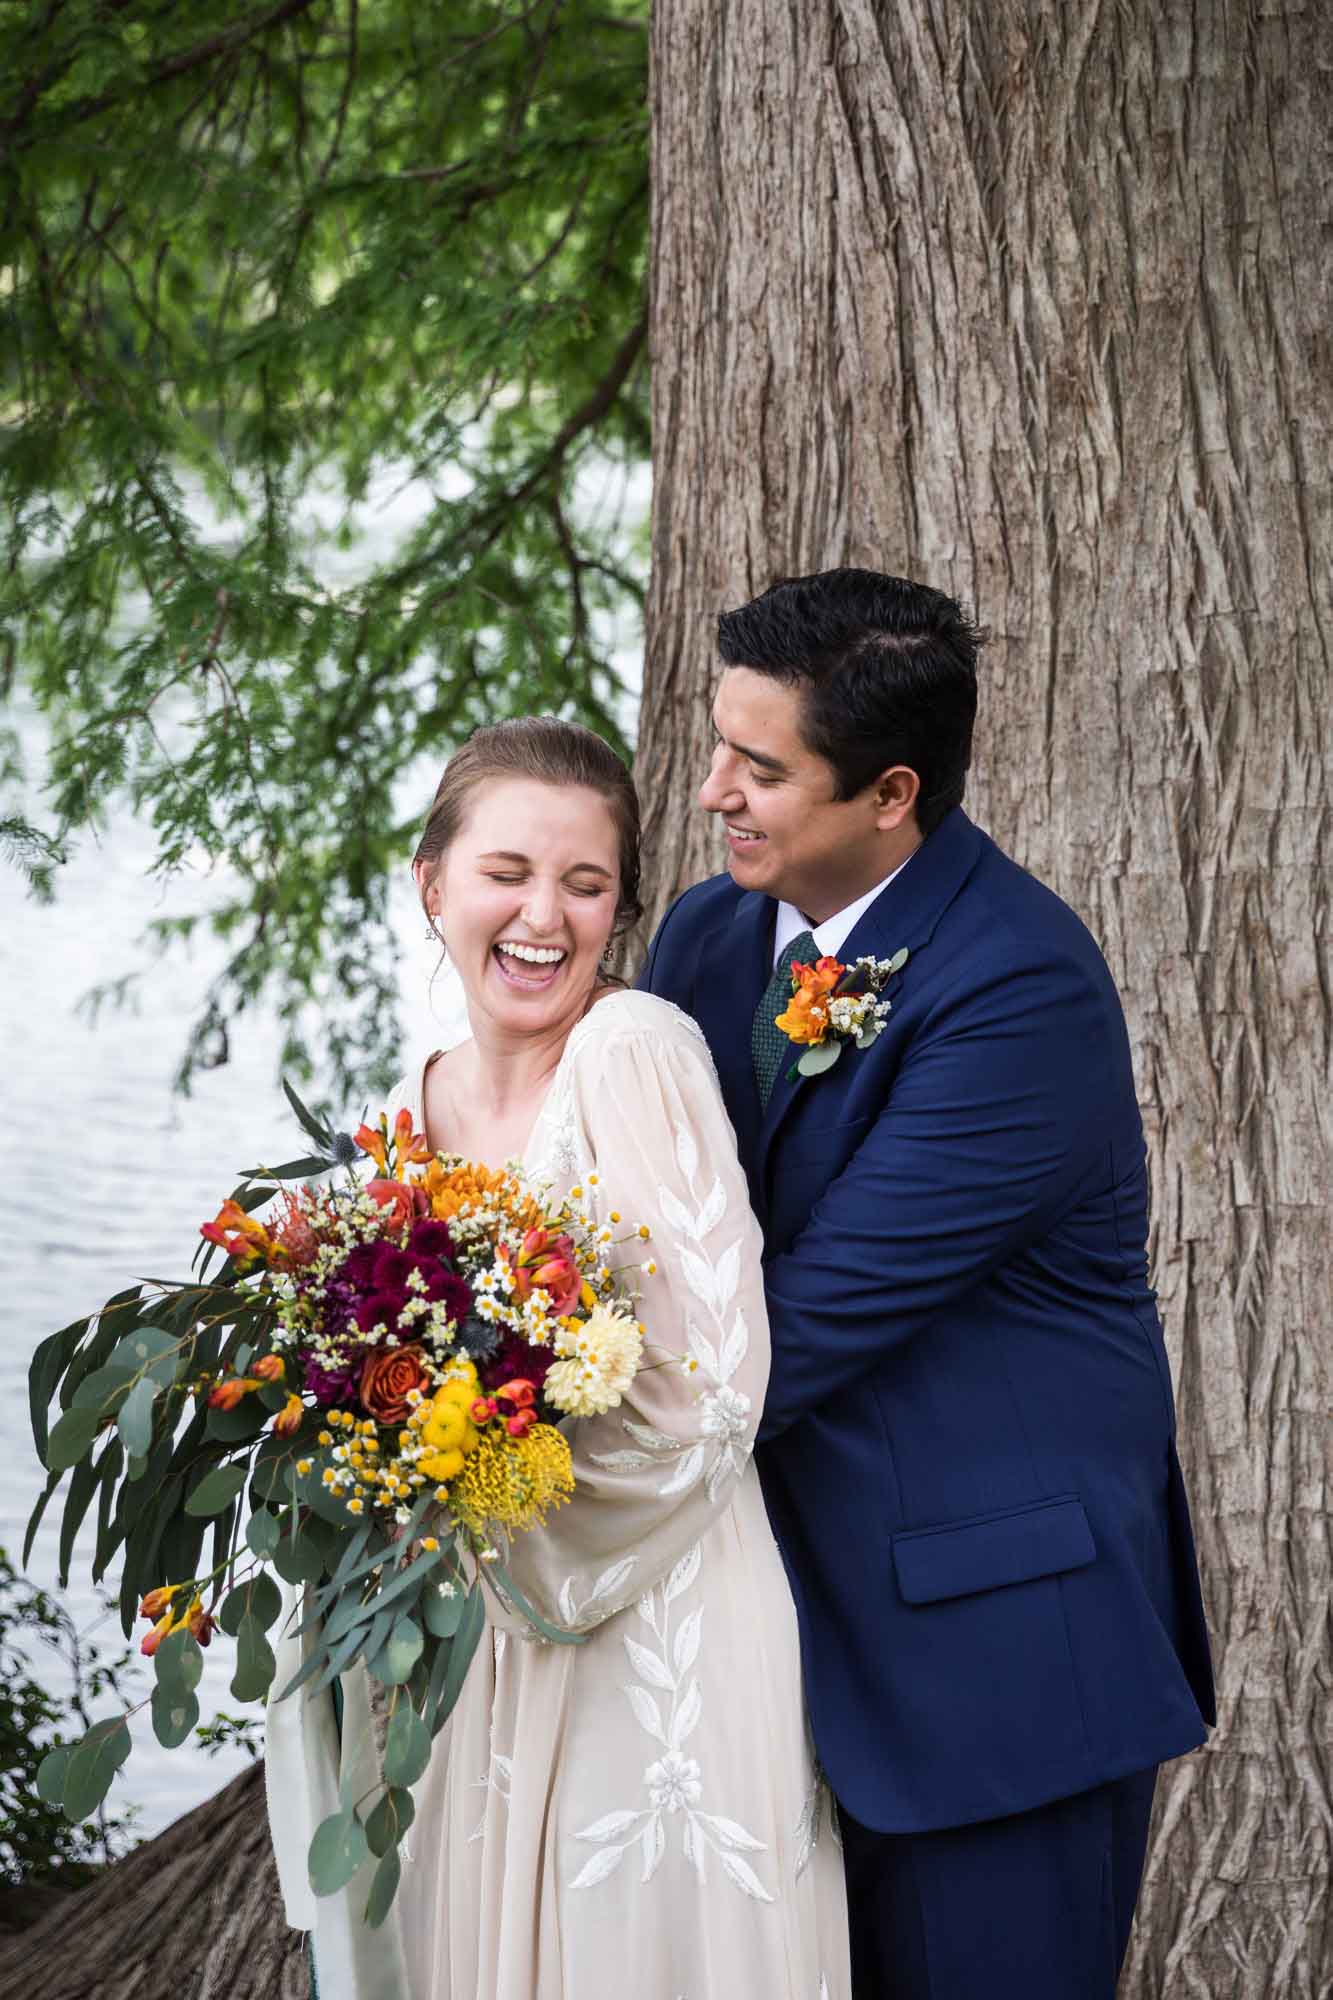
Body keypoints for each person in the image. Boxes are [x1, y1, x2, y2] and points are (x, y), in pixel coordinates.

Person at [640, 568, 1216, 2000]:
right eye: (720, 743)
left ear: (889, 793)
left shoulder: (1019, 987)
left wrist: (520, 1436)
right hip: (763, 1659)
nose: (712, 788)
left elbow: (806, 1318)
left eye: (760, 769)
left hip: (990, 1666)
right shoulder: (708, 941)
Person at [266, 717, 851, 2000]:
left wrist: (486, 1519)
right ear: (432, 884)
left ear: (620, 910)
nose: (544, 916)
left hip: (643, 1611)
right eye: (506, 873)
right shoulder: (413, 1104)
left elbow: (708, 1395)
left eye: (585, 886)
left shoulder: (632, 1052)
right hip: (473, 1635)